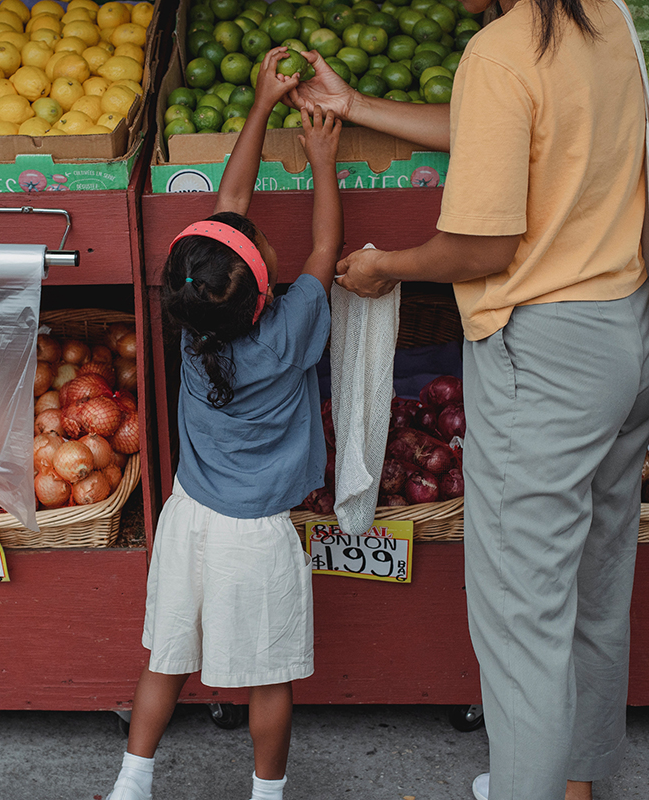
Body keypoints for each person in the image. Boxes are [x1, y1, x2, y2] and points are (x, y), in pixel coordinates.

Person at [285, 1, 649, 799]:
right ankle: (575, 784)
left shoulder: (499, 51)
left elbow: (482, 247)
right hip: (623, 329)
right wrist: (356, 106)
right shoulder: (608, 16)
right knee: (594, 584)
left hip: (543, 352)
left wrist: (386, 266)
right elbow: (503, 131)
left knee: (522, 618)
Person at [102, 47, 343, 800]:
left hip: (187, 519)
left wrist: (260, 104)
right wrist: (321, 159)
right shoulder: (292, 324)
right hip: (256, 537)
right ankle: (266, 796)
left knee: (165, 659)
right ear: (264, 282)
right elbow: (328, 249)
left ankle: (132, 784)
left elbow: (228, 205)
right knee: (268, 679)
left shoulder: (189, 324)